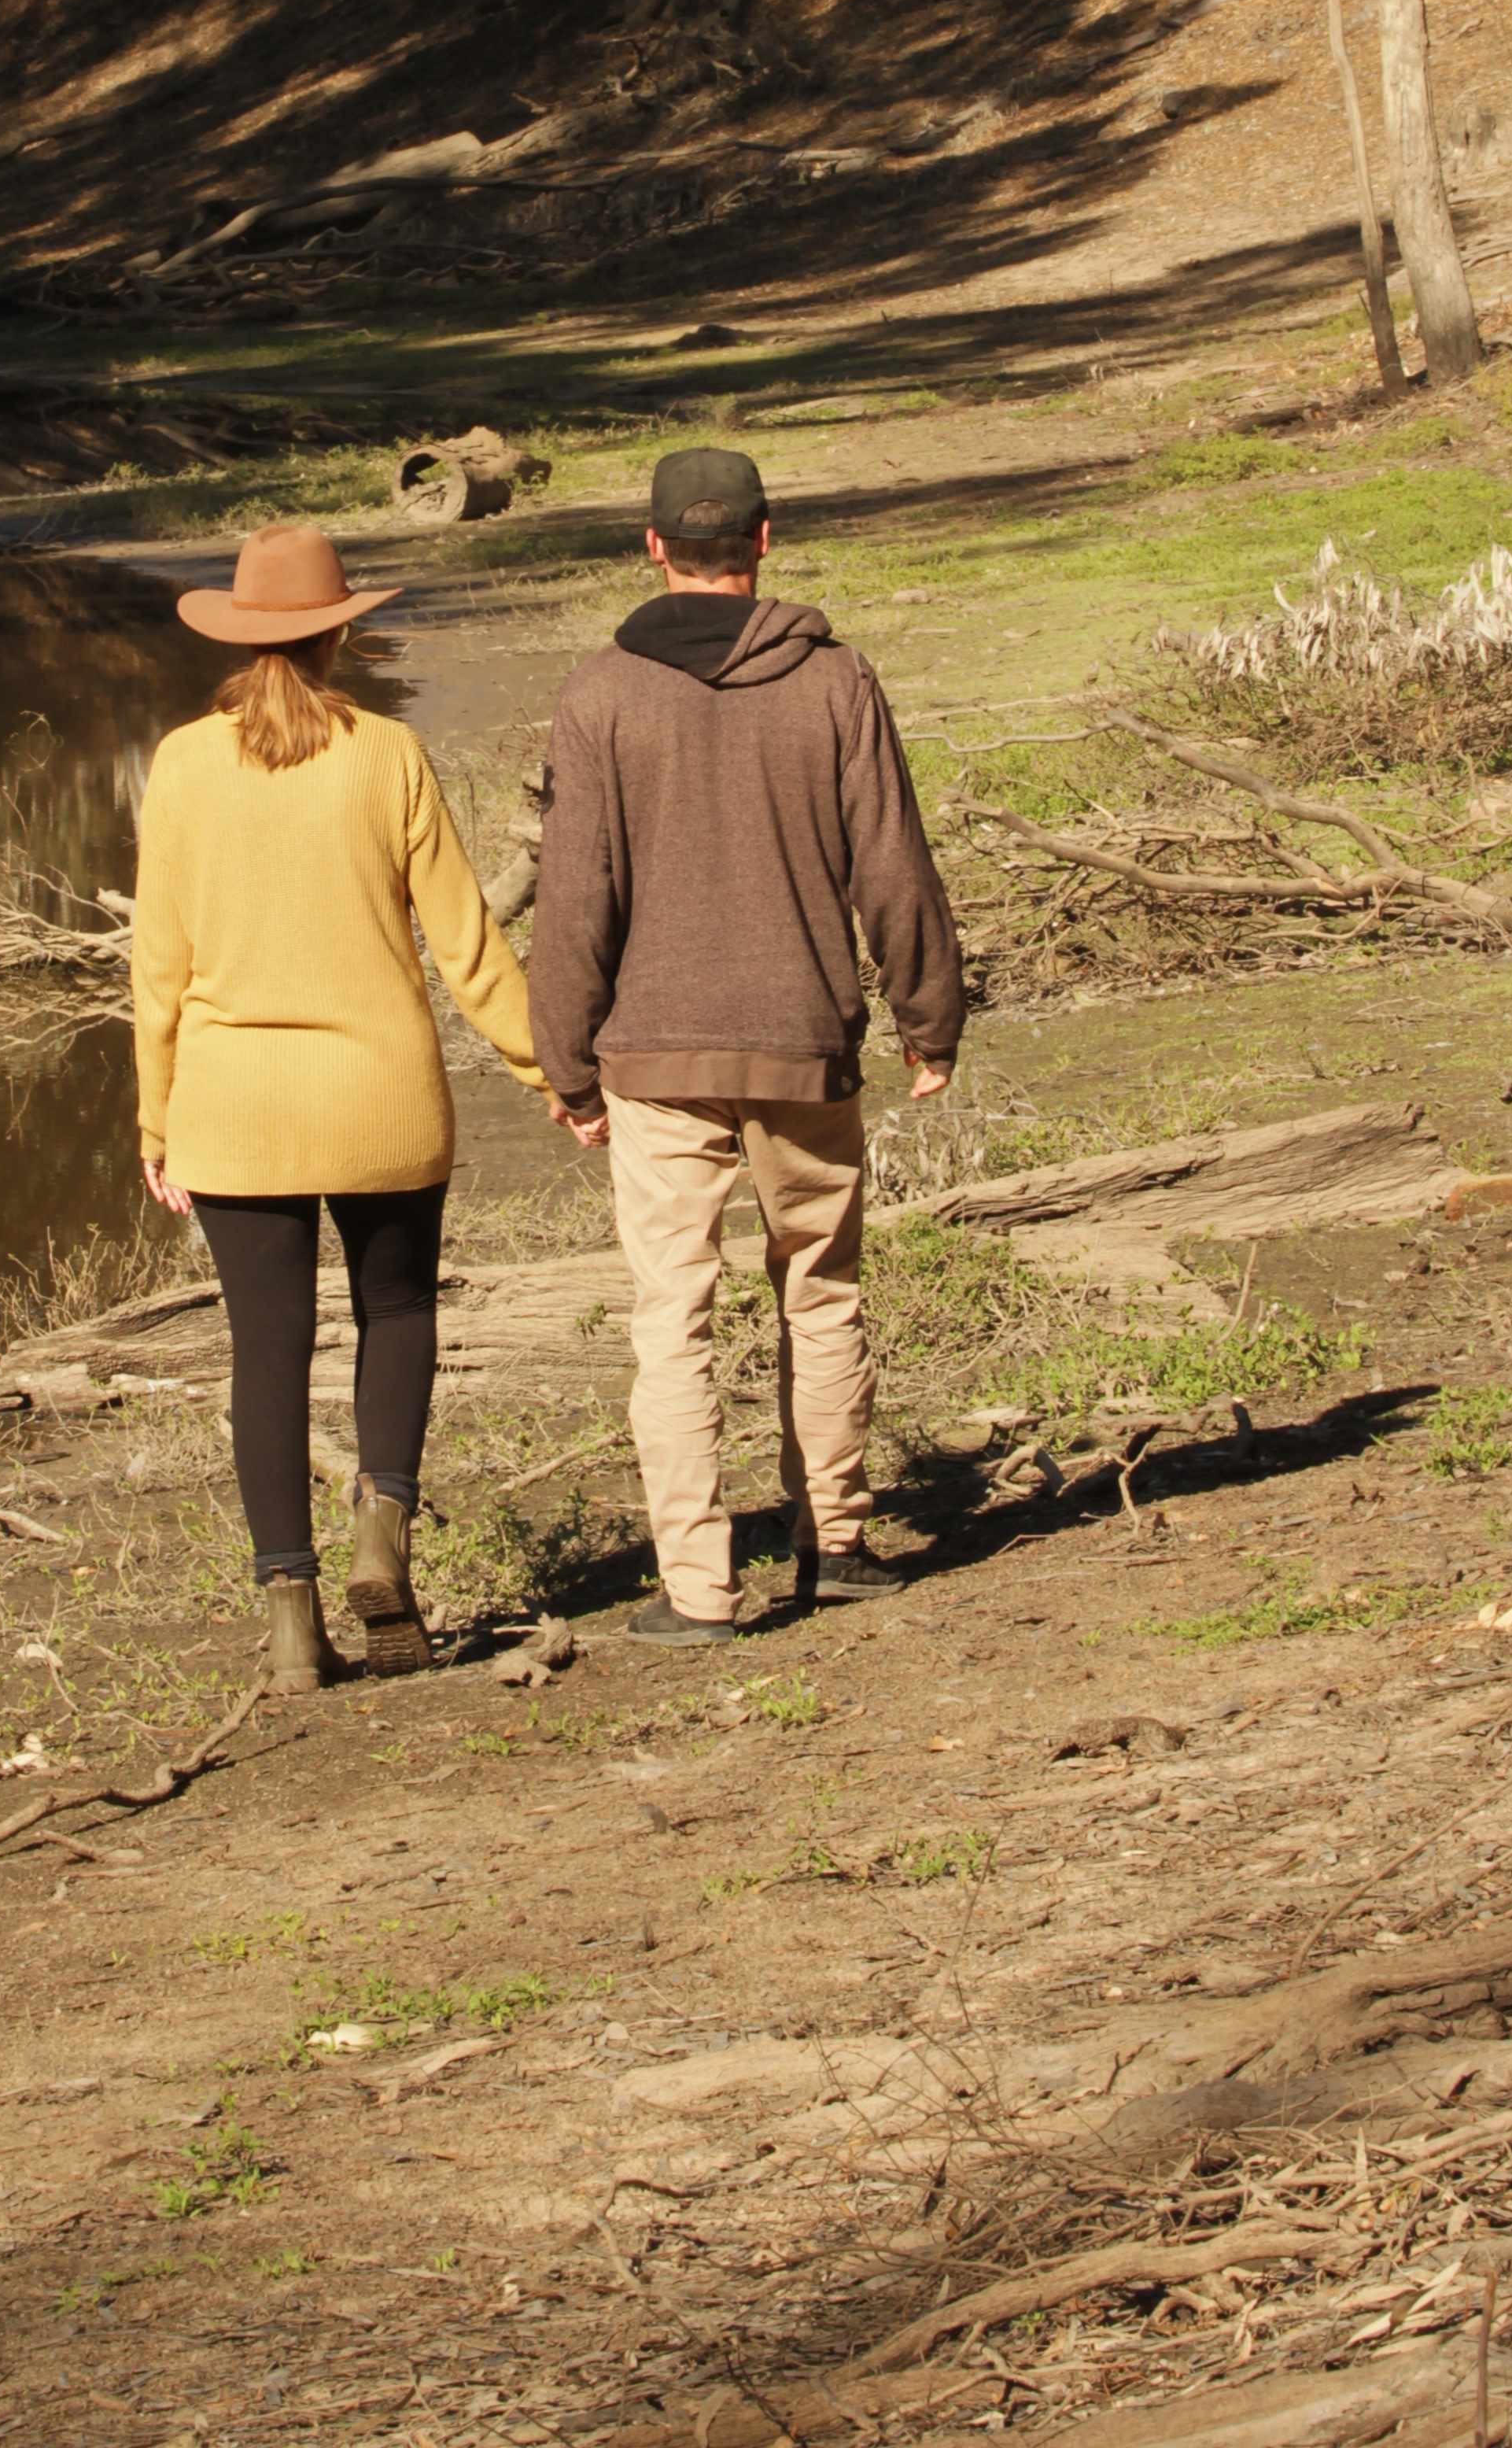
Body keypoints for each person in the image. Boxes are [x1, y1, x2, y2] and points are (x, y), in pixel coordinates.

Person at [529, 449, 964, 1644]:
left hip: (654, 1060)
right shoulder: (837, 682)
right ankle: (836, 1540)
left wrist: (565, 1064)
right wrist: (932, 1020)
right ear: (767, 538)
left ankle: (700, 1593)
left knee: (673, 1316)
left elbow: (576, 901)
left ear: (652, 547)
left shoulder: (600, 695)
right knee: (820, 1294)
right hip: (802, 1040)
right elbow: (894, 865)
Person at [131, 522, 564, 1692]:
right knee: (398, 1312)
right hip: (382, 1097)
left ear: (239, 634)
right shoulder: (389, 756)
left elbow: (157, 968)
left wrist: (156, 1122)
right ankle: (384, 1532)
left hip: (232, 1105)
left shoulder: (178, 763)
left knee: (264, 1355)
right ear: (341, 632)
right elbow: (467, 945)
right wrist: (551, 1073)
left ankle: (290, 1630)